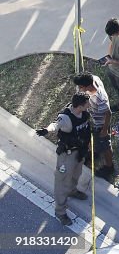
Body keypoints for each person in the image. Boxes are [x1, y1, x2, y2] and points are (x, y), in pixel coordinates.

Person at [35, 94, 91, 225]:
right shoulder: (66, 117)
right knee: (62, 181)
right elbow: (55, 125)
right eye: (87, 103)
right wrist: (46, 130)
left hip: (80, 151)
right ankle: (60, 211)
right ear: (80, 105)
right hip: (68, 154)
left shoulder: (83, 113)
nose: (89, 105)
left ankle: (72, 190)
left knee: (76, 174)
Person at [73, 73, 114, 179]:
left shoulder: (100, 98)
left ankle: (109, 166)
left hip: (100, 124)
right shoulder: (94, 78)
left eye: (80, 87)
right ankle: (93, 152)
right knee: (91, 139)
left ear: (87, 86)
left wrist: (104, 130)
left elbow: (108, 114)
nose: (79, 89)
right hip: (92, 119)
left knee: (105, 146)